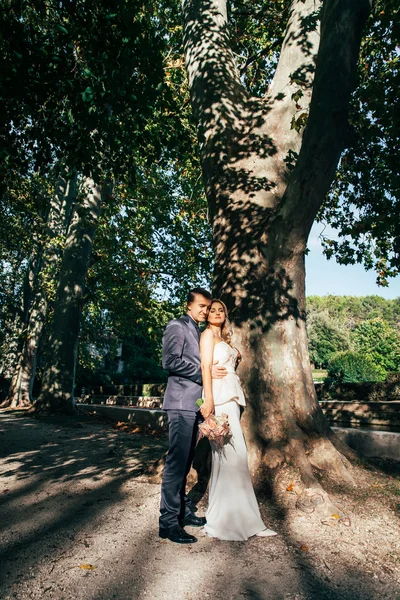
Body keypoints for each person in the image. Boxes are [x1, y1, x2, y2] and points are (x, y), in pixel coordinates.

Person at [200, 299, 277, 541]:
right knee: (228, 456)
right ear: (206, 314)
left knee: (235, 457)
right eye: (212, 310)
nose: (217, 313)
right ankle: (226, 521)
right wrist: (209, 402)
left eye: (221, 310)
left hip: (231, 400)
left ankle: (245, 518)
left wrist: (235, 356)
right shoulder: (207, 336)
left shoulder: (224, 340)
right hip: (219, 399)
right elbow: (204, 367)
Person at [159, 288, 227, 544]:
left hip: (194, 405)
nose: (205, 311)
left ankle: (183, 511)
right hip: (179, 404)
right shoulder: (176, 326)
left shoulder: (198, 331)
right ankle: (167, 524)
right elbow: (170, 361)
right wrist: (204, 371)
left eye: (208, 307)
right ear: (189, 305)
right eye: (201, 306)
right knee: (176, 463)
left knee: (186, 461)